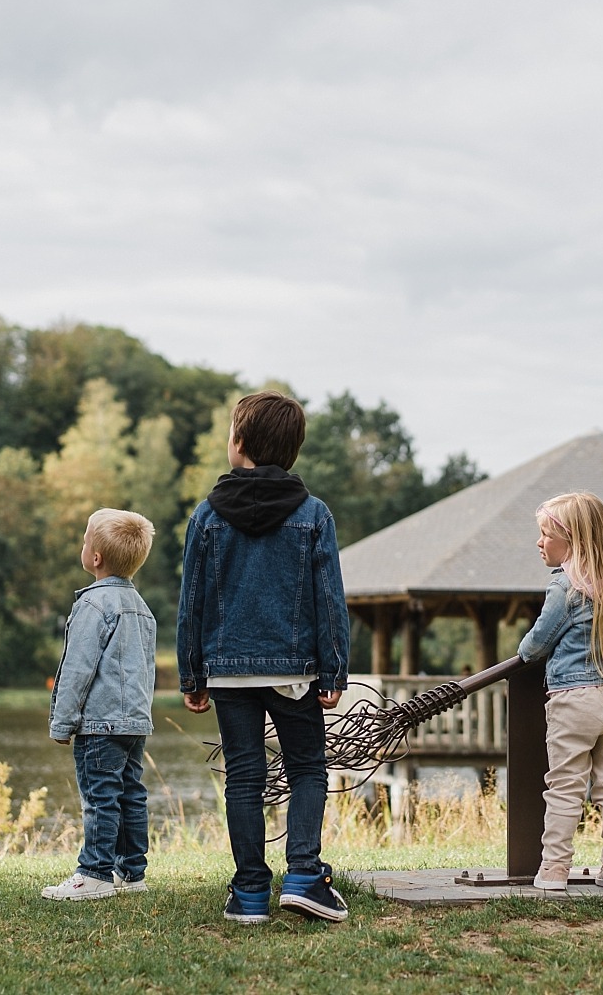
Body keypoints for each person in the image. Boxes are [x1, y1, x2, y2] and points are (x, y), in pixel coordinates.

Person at [177, 390, 350, 924]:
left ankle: (251, 892)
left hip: (228, 670)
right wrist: (333, 667)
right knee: (306, 770)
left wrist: (192, 674)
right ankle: (303, 876)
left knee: (245, 777)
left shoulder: (207, 515)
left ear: (240, 443)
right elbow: (329, 600)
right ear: (293, 451)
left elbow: (193, 602)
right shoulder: (313, 514)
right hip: (295, 670)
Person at [516, 491, 603, 892]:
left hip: (575, 702)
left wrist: (521, 652)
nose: (539, 543)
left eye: (545, 535)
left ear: (573, 541)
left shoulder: (566, 588)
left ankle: (554, 870)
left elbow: (535, 645)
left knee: (566, 786)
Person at [41, 508, 159, 902]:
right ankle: (131, 870)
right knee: (130, 793)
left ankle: (94, 872)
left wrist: (62, 722)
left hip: (100, 724)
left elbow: (77, 668)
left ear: (95, 558)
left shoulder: (93, 605)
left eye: (85, 539)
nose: (83, 545)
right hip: (134, 723)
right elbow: (147, 670)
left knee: (100, 797)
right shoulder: (142, 608)